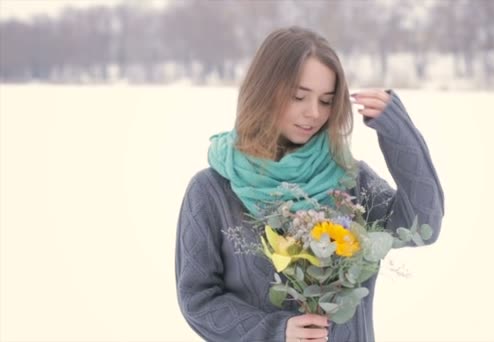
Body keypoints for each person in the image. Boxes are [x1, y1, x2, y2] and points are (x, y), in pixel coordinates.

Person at [175, 26, 445, 342]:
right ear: (263, 90)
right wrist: (275, 330)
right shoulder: (211, 191)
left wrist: (398, 131)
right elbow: (198, 299)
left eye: (327, 100)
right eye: (298, 96)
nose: (314, 113)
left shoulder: (349, 182)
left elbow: (422, 223)